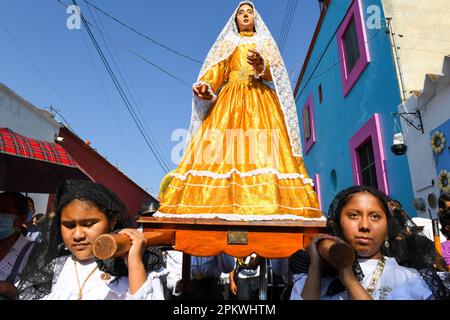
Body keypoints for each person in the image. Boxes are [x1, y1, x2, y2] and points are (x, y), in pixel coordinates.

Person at [157, 1, 322, 220]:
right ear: (235, 20)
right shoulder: (228, 43)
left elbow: (277, 74)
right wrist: (206, 85)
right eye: (241, 13)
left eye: (249, 13)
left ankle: (266, 201)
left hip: (260, 101)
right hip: (229, 102)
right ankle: (218, 202)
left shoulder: (265, 42)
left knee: (265, 149)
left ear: (255, 19)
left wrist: (261, 65)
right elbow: (216, 70)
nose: (245, 16)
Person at [290, 186, 450, 300]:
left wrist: (349, 278)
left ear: (388, 226)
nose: (365, 226)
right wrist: (316, 265)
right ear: (337, 224)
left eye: (375, 216)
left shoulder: (413, 281)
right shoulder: (314, 282)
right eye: (353, 215)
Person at [17, 180, 166, 300]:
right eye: (68, 225)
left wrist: (134, 263)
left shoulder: (133, 265)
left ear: (112, 222)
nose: (78, 235)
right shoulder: (55, 267)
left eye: (88, 224)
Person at [0, 192, 34, 300]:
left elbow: (37, 293)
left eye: (3, 211)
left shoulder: (33, 252)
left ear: (20, 219)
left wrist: (9, 290)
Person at [165, 250, 235, 300]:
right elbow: (171, 277)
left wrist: (219, 244)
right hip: (188, 293)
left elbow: (228, 267)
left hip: (211, 291)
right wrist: (177, 284)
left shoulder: (214, 240)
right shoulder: (176, 247)